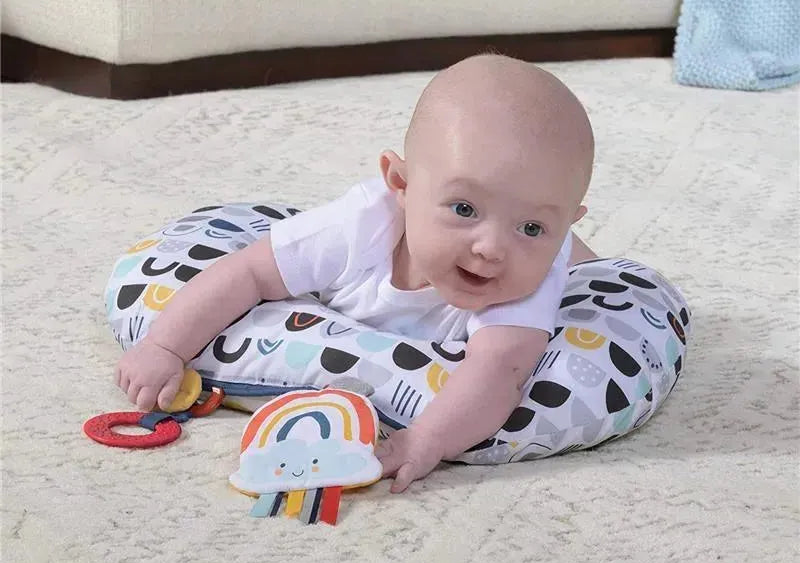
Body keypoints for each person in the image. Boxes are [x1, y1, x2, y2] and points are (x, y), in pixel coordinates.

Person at [114, 54, 597, 492]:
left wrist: (425, 439)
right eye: (465, 208)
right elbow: (248, 272)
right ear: (401, 183)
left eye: (532, 226)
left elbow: (500, 372)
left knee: (586, 270)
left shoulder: (530, 280)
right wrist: (164, 347)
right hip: (362, 238)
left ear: (566, 222)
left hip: (556, 267)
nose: (491, 248)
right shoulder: (360, 225)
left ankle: (580, 253)